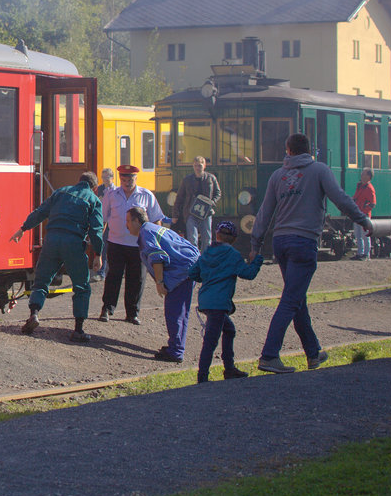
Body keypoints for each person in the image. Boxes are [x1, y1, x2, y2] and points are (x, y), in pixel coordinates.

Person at [250, 133, 373, 374]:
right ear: (309, 150)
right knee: (290, 300)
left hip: (281, 242)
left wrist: (256, 242)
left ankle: (313, 353)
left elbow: (265, 212)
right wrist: (363, 220)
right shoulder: (319, 170)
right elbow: (340, 199)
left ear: (288, 150)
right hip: (303, 241)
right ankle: (269, 355)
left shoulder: (278, 175)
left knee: (298, 300)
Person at [10, 172, 103, 343]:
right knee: (82, 286)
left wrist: (23, 228)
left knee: (41, 281)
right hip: (74, 243)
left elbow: (40, 212)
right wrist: (98, 254)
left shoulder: (60, 192)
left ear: (78, 181)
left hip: (51, 240)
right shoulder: (93, 200)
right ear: (95, 188)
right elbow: (96, 231)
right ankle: (78, 329)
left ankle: (34, 314)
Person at [188, 221, 263, 382]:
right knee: (210, 340)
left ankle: (229, 368)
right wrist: (256, 260)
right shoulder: (232, 254)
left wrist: (207, 276)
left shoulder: (207, 252)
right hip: (219, 303)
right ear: (234, 239)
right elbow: (248, 274)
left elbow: (193, 273)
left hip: (206, 301)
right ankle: (203, 377)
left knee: (229, 330)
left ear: (217, 235)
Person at [124, 206, 199, 363]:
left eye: (128, 221)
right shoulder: (154, 228)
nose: (126, 225)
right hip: (188, 267)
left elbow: (157, 257)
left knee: (174, 312)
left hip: (180, 271)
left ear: (137, 221)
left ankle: (176, 351)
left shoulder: (146, 233)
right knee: (180, 312)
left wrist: (160, 282)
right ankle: (176, 346)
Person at [98, 164, 166, 325]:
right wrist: (97, 242)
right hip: (116, 243)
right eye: (124, 178)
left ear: (136, 178)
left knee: (136, 279)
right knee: (113, 277)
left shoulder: (146, 195)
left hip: (138, 245)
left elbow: (156, 219)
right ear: (120, 178)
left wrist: (156, 241)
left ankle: (132, 312)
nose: (128, 181)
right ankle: (107, 308)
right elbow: (103, 219)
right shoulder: (111, 195)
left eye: (131, 178)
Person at [173, 156, 222, 250]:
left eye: (199, 165)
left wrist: (212, 202)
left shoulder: (211, 178)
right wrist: (175, 214)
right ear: (193, 166)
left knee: (207, 239)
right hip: (190, 212)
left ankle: (205, 260)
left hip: (206, 213)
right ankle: (194, 260)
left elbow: (218, 193)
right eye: (195, 166)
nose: (197, 168)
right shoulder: (187, 180)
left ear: (204, 166)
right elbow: (179, 197)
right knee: (192, 239)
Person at [93, 168, 116, 281]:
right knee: (102, 245)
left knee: (113, 246)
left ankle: (115, 271)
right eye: (103, 177)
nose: (105, 179)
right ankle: (101, 272)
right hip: (102, 221)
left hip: (113, 222)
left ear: (112, 177)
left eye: (107, 177)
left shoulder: (117, 191)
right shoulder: (99, 189)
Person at [351, 168, 376, 261]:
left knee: (365, 235)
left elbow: (372, 203)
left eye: (363, 174)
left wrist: (364, 211)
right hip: (358, 214)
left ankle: (366, 254)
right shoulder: (360, 186)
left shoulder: (369, 188)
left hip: (364, 215)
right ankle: (360, 253)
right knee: (358, 235)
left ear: (368, 176)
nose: (361, 176)